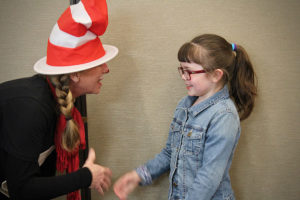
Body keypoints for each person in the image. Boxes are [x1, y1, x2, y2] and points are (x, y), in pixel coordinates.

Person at [113, 33, 257, 200]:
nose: (183, 76)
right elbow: (169, 153)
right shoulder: (184, 105)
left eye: (189, 72)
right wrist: (139, 175)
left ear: (216, 75)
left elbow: (209, 177)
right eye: (182, 70)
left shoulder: (224, 116)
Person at [0, 0, 118, 199]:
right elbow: (21, 189)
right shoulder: (32, 108)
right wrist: (86, 177)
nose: (106, 69)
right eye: (98, 63)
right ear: (75, 75)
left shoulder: (62, 102)